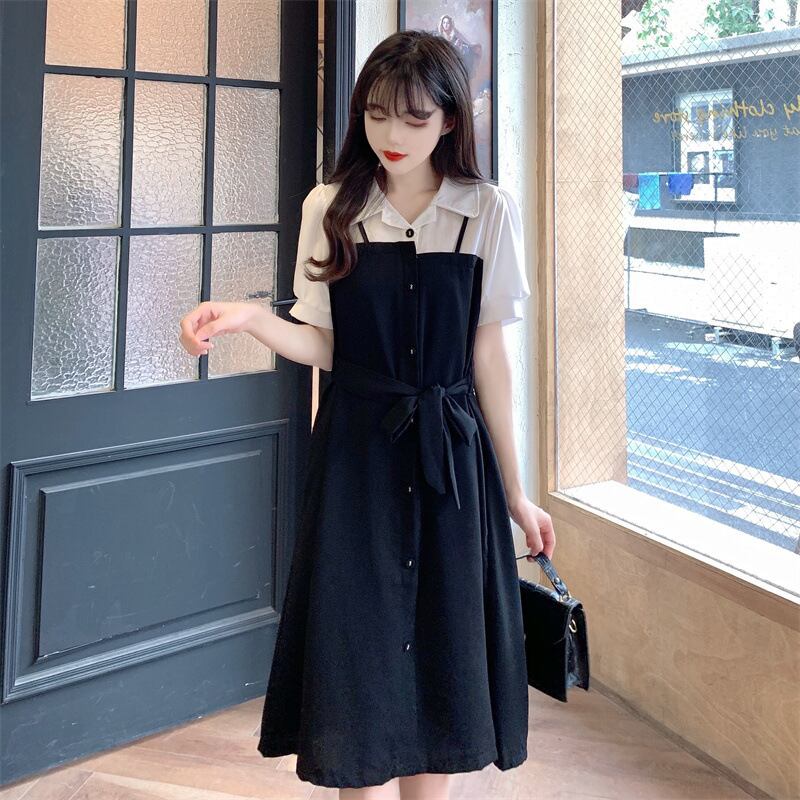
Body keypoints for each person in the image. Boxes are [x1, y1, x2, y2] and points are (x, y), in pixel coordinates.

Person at [179, 29, 556, 800]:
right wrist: (250, 318)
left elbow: (489, 357)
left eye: (415, 118)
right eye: (378, 114)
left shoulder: (486, 210)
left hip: (452, 459)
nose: (394, 135)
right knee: (359, 642)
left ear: (450, 120)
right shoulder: (332, 206)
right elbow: (326, 344)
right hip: (357, 453)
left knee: (442, 647)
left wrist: (517, 493)